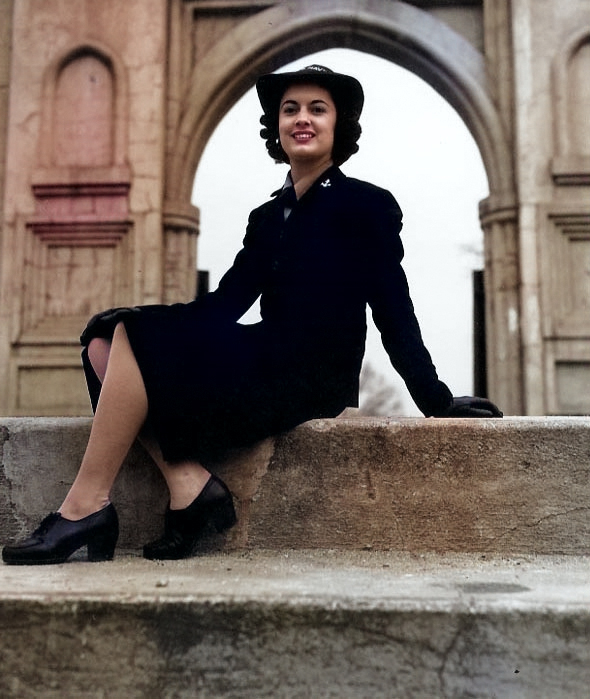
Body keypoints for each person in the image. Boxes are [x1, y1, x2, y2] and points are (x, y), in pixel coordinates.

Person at [2, 64, 502, 566]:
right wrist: (141, 320)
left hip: (312, 375)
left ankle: (84, 509)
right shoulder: (266, 218)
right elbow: (225, 304)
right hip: (263, 353)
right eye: (290, 110)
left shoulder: (365, 205)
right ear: (277, 127)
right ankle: (188, 485)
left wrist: (434, 398)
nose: (301, 119)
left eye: (317, 109)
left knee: (135, 338)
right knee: (105, 342)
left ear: (338, 126)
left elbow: (393, 306)